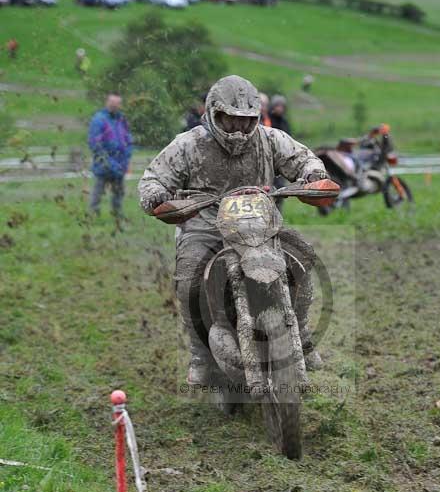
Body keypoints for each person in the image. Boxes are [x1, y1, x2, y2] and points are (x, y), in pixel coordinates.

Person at [138, 74, 330, 384]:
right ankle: (200, 354)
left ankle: (302, 332)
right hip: (205, 226)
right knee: (188, 280)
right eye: (230, 120)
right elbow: (153, 178)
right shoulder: (188, 144)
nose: (238, 128)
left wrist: (313, 174)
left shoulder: (270, 139)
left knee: (302, 259)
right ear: (215, 113)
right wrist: (155, 194)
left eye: (246, 120)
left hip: (261, 227)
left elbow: (302, 158)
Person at [88, 93, 133, 220]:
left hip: (120, 164)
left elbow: (128, 139)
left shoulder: (122, 120)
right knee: (98, 190)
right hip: (104, 163)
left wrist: (127, 157)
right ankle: (92, 216)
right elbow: (95, 143)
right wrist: (107, 161)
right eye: (112, 103)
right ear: (107, 102)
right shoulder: (99, 119)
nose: (114, 106)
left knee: (118, 192)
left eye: (117, 103)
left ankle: (117, 215)